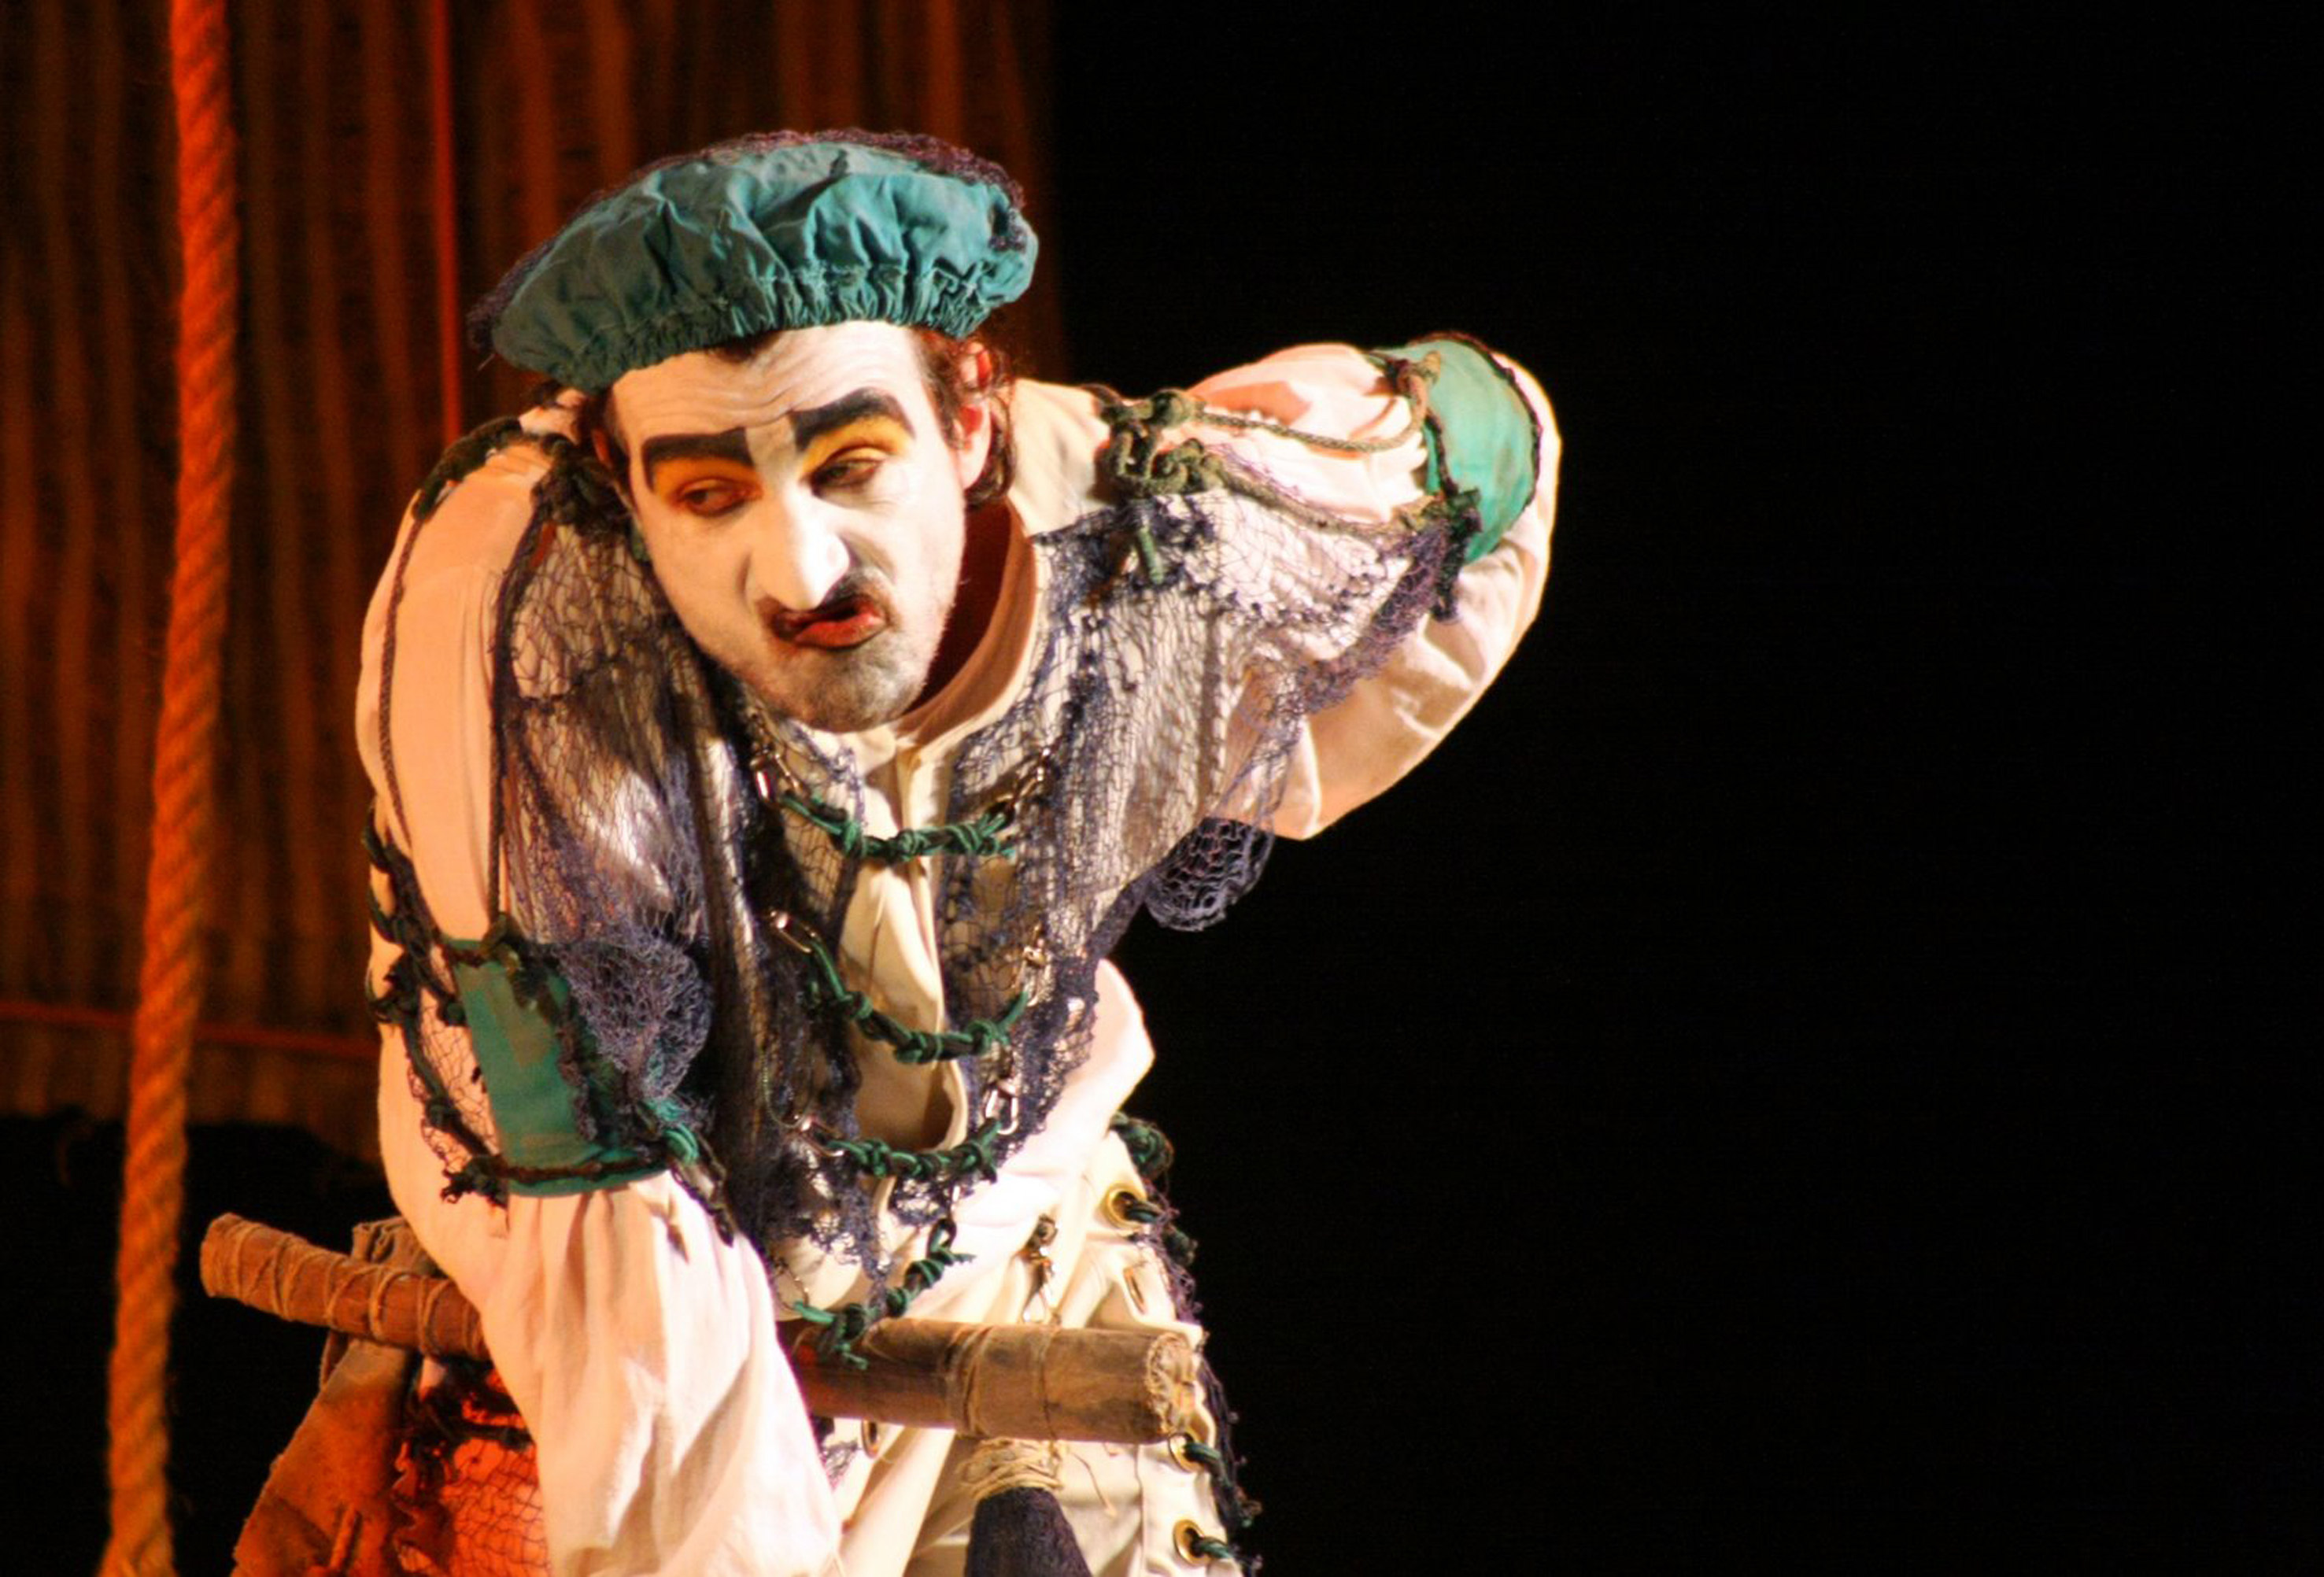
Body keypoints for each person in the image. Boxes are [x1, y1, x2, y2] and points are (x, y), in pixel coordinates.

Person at [357, 130, 1557, 1576]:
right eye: (708, 496)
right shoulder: (524, 628)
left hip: (1020, 1258)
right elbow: (597, 1188)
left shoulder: (1147, 525)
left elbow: (1488, 440)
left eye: (852, 466)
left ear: (973, 420)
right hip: (636, 1343)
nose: (800, 574)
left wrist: (1232, 742)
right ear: (621, 478)